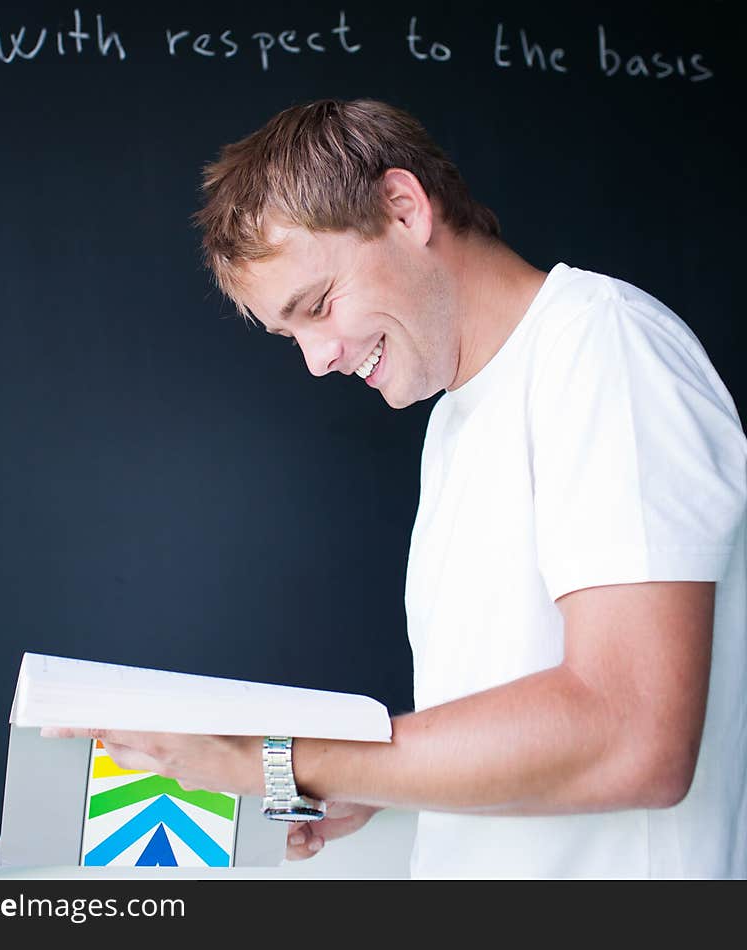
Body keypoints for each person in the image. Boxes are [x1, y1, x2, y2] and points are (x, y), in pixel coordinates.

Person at [44, 99, 747, 878]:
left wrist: (284, 760)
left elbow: (632, 736)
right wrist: (362, 782)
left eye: (318, 306)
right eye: (291, 336)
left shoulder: (604, 348)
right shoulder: (454, 419)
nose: (318, 359)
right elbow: (530, 714)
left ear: (404, 208)